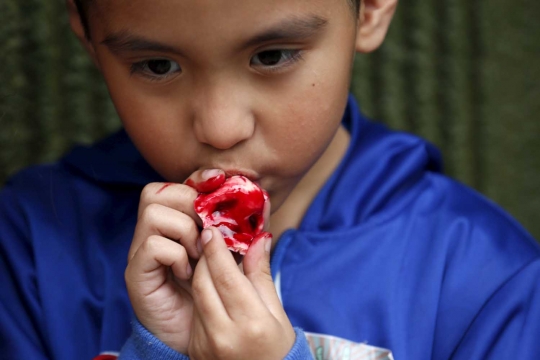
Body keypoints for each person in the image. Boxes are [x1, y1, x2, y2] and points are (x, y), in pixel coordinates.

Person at [1, 0, 539, 358]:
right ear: (90, 40)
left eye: (271, 55)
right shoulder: (31, 251)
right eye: (158, 66)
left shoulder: (484, 280)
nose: (220, 127)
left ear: (371, 9)